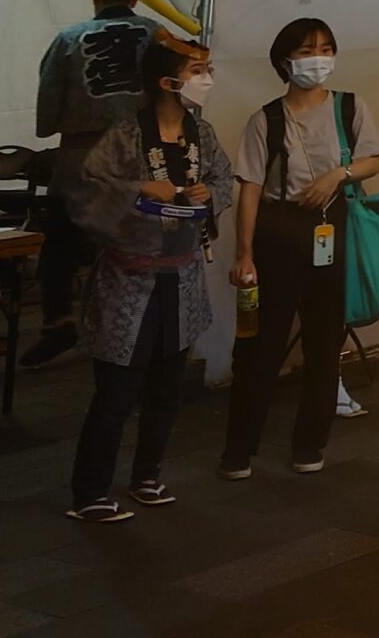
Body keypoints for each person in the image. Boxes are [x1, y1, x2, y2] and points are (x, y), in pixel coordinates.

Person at [66, 33, 234, 524]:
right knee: (116, 391)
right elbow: (86, 190)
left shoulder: (201, 132)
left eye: (207, 69)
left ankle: (146, 475)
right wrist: (138, 185)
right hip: (128, 278)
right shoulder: (125, 133)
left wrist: (208, 194)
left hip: (180, 279)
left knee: (166, 388)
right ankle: (90, 491)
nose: (205, 79)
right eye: (196, 70)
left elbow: (224, 180)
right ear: (167, 80)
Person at [221, 18, 379, 480]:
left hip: (331, 227)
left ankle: (310, 443)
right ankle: (238, 449)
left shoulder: (349, 107)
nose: (319, 58)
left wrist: (338, 175)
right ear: (285, 61)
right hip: (279, 230)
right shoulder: (266, 118)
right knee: (259, 346)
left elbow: (372, 159)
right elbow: (250, 186)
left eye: (327, 48)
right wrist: (245, 252)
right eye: (308, 50)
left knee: (324, 343)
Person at [25, 0, 155, 367]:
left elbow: (47, 114)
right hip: (142, 154)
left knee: (61, 239)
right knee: (134, 242)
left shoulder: (69, 38)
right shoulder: (159, 35)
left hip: (81, 155)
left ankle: (59, 320)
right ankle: (134, 323)